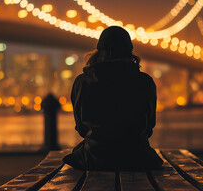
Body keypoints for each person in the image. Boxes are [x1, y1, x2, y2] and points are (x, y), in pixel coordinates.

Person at [63, 26, 163, 171]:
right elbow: (149, 127)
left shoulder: (82, 82)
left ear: (100, 51)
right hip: (137, 157)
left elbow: (81, 128)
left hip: (94, 158)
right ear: (130, 51)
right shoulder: (145, 82)